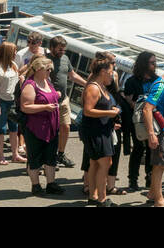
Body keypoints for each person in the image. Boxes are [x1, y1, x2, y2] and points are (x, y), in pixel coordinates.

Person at [139, 57, 164, 207]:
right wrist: (151, 134)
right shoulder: (161, 86)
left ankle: (152, 193)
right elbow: (147, 108)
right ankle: (159, 200)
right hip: (161, 131)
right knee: (159, 165)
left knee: (161, 163)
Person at [80, 54, 120, 206]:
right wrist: (110, 113)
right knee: (105, 163)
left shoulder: (102, 86)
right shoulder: (93, 88)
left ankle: (93, 195)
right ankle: (102, 199)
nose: (112, 75)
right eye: (111, 72)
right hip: (94, 131)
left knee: (95, 163)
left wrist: (111, 114)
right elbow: (87, 111)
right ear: (103, 71)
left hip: (102, 129)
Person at [20, 56, 64, 195]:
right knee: (34, 157)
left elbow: (50, 96)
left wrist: (56, 95)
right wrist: (44, 107)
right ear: (39, 69)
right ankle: (36, 185)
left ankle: (51, 184)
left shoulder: (47, 81)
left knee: (51, 156)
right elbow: (25, 107)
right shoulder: (30, 84)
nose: (50, 72)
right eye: (48, 69)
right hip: (35, 128)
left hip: (51, 127)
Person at [47, 35, 85, 167]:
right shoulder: (45, 60)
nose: (62, 52)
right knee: (50, 130)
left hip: (63, 100)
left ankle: (60, 154)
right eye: (59, 50)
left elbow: (72, 75)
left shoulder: (65, 58)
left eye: (64, 50)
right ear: (51, 48)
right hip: (49, 101)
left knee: (66, 126)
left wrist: (88, 84)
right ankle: (49, 157)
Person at [0, 42, 22, 164]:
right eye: (14, 51)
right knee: (0, 129)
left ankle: (15, 154)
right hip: (1, 100)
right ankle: (1, 155)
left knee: (14, 128)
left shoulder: (13, 65)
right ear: (7, 52)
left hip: (12, 100)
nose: (15, 53)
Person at [122, 52, 152, 192]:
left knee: (152, 149)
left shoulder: (155, 80)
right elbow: (128, 99)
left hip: (152, 119)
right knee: (138, 149)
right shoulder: (131, 81)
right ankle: (132, 179)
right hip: (137, 121)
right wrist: (141, 106)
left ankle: (150, 178)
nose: (154, 65)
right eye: (151, 63)